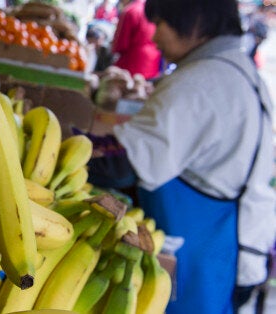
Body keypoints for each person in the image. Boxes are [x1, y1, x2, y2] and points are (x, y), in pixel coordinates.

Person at [112, 0, 276, 313]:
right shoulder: (239, 70)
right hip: (234, 247)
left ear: (196, 22)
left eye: (160, 23)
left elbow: (126, 163)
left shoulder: (204, 80)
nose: (154, 37)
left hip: (202, 252)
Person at [110, 0, 161, 79]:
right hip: (153, 66)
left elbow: (119, 45)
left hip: (132, 66)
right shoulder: (154, 9)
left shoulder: (130, 11)